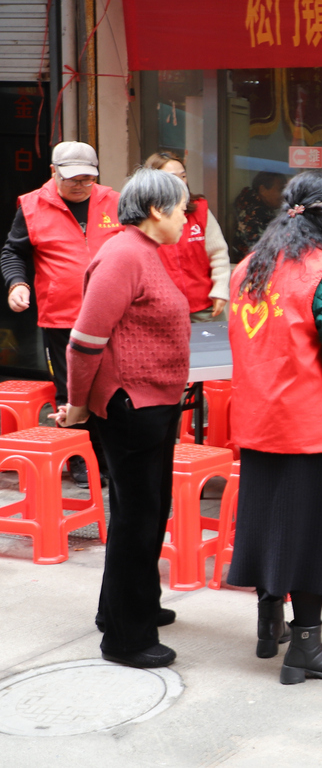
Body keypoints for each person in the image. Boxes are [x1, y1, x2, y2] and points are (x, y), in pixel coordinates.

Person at [226, 170, 322, 684]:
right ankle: (306, 647)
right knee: (313, 534)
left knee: (270, 525)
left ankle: (269, 626)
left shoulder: (249, 266)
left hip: (258, 420)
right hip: (309, 425)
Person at [56, 167, 191, 668]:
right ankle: (125, 638)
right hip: (130, 405)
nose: (186, 219)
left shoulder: (145, 251)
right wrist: (77, 404)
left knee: (150, 512)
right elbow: (85, 340)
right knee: (137, 519)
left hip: (154, 402)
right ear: (156, 209)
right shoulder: (123, 254)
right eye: (182, 209)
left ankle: (131, 607)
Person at [1, 141, 120, 486]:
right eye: (72, 179)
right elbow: (13, 253)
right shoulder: (32, 205)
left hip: (114, 316)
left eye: (87, 178)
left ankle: (112, 459)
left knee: (112, 388)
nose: (81, 185)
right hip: (63, 317)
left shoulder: (115, 201)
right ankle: (82, 460)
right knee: (72, 390)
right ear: (53, 172)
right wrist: (16, 284)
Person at [145, 152, 231, 322]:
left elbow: (218, 254)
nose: (180, 182)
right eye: (172, 177)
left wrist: (220, 290)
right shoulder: (143, 217)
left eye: (183, 176)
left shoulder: (199, 210)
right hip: (161, 310)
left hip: (205, 307)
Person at [230, 170, 286, 261]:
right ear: (263, 190)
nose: (284, 195)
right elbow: (266, 253)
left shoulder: (247, 199)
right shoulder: (258, 216)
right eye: (280, 189)